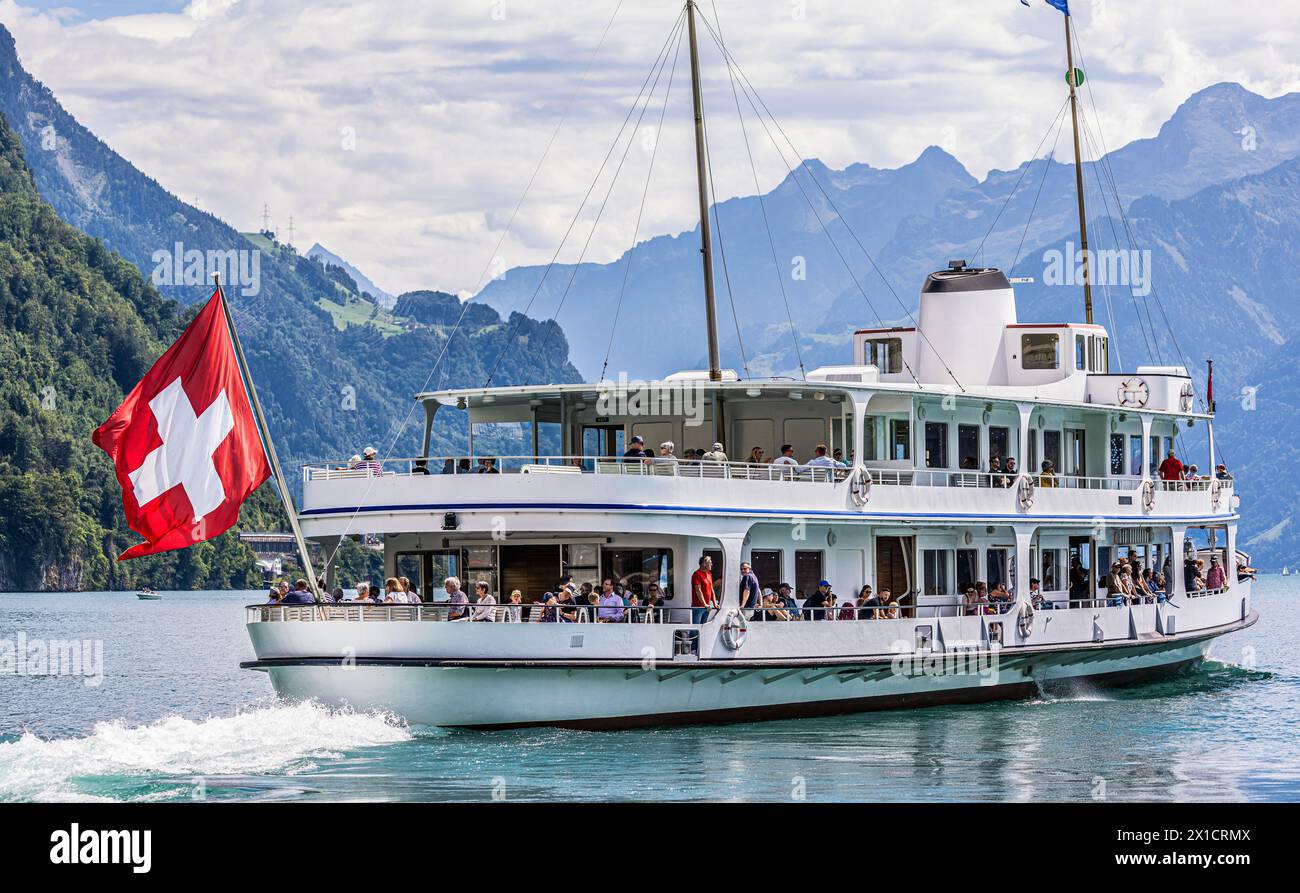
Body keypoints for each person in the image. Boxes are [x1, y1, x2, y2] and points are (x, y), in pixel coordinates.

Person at [691, 555, 716, 624]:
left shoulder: (709, 574)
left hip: (707, 606)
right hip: (698, 606)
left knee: (703, 627)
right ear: (703, 564)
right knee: (696, 628)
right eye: (709, 562)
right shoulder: (697, 574)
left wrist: (715, 603)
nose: (711, 564)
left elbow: (711, 590)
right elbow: (698, 591)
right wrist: (704, 604)